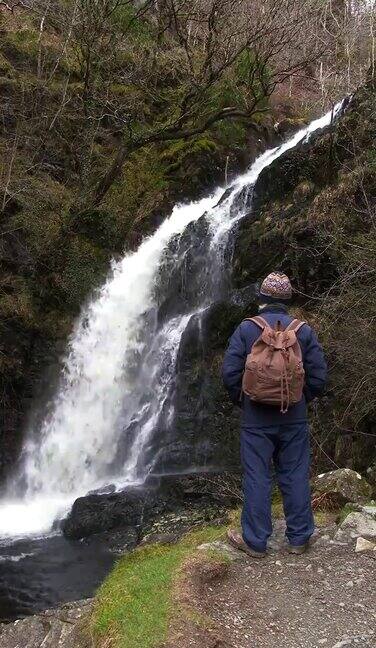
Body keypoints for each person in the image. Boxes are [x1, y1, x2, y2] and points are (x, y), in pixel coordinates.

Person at [222, 271, 327, 557]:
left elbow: (229, 373)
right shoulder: (303, 331)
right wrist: (300, 399)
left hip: (255, 419)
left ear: (262, 298)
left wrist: (244, 401)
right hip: (294, 417)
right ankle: (299, 538)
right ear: (287, 300)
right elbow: (318, 377)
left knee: (257, 476)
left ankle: (255, 543)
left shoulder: (247, 329)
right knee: (294, 475)